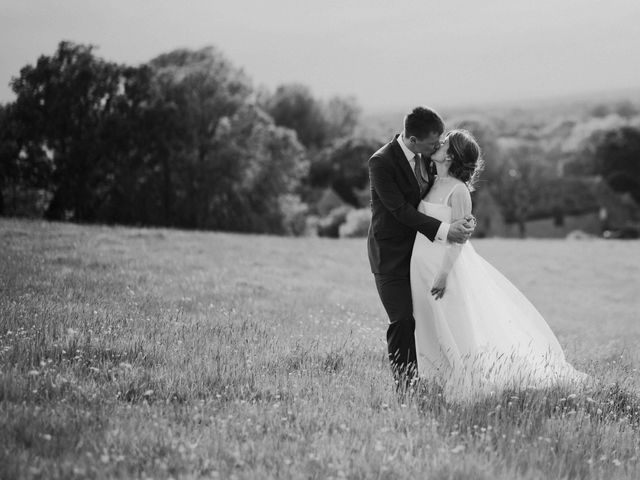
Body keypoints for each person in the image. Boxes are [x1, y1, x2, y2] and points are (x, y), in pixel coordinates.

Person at [410, 129, 586, 401]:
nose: (439, 143)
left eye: (445, 142)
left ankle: (469, 383)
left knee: (456, 325)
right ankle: (435, 380)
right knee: (430, 325)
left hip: (445, 270)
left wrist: (443, 275)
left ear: (453, 155)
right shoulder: (431, 179)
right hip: (421, 266)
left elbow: (457, 241)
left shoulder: (458, 191)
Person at [367, 107, 475, 391]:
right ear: (412, 139)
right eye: (432, 143)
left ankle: (440, 378)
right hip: (390, 255)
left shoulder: (429, 159)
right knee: (402, 320)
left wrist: (464, 220)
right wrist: (446, 229)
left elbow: (450, 195)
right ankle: (406, 388)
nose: (438, 147)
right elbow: (400, 210)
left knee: (433, 320)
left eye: (441, 143)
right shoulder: (381, 162)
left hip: (424, 255)